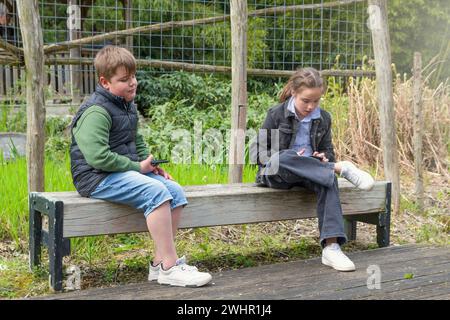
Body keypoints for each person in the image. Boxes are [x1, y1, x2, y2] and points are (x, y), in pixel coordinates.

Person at [69, 45, 212, 287]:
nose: (132, 83)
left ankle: (158, 265)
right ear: (105, 82)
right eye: (124, 79)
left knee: (174, 191)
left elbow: (136, 141)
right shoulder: (96, 111)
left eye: (133, 76)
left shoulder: (127, 106)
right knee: (155, 192)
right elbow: (97, 158)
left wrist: (152, 165)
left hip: (119, 172)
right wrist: (137, 167)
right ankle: (170, 266)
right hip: (95, 177)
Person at [251, 67, 375, 272]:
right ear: (294, 92)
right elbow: (259, 156)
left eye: (316, 101)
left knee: (326, 179)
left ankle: (332, 248)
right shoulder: (276, 114)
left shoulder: (324, 118)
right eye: (305, 101)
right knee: (285, 157)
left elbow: (328, 150)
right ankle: (338, 169)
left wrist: (323, 158)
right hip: (277, 173)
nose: (311, 106)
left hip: (311, 172)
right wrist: (299, 159)